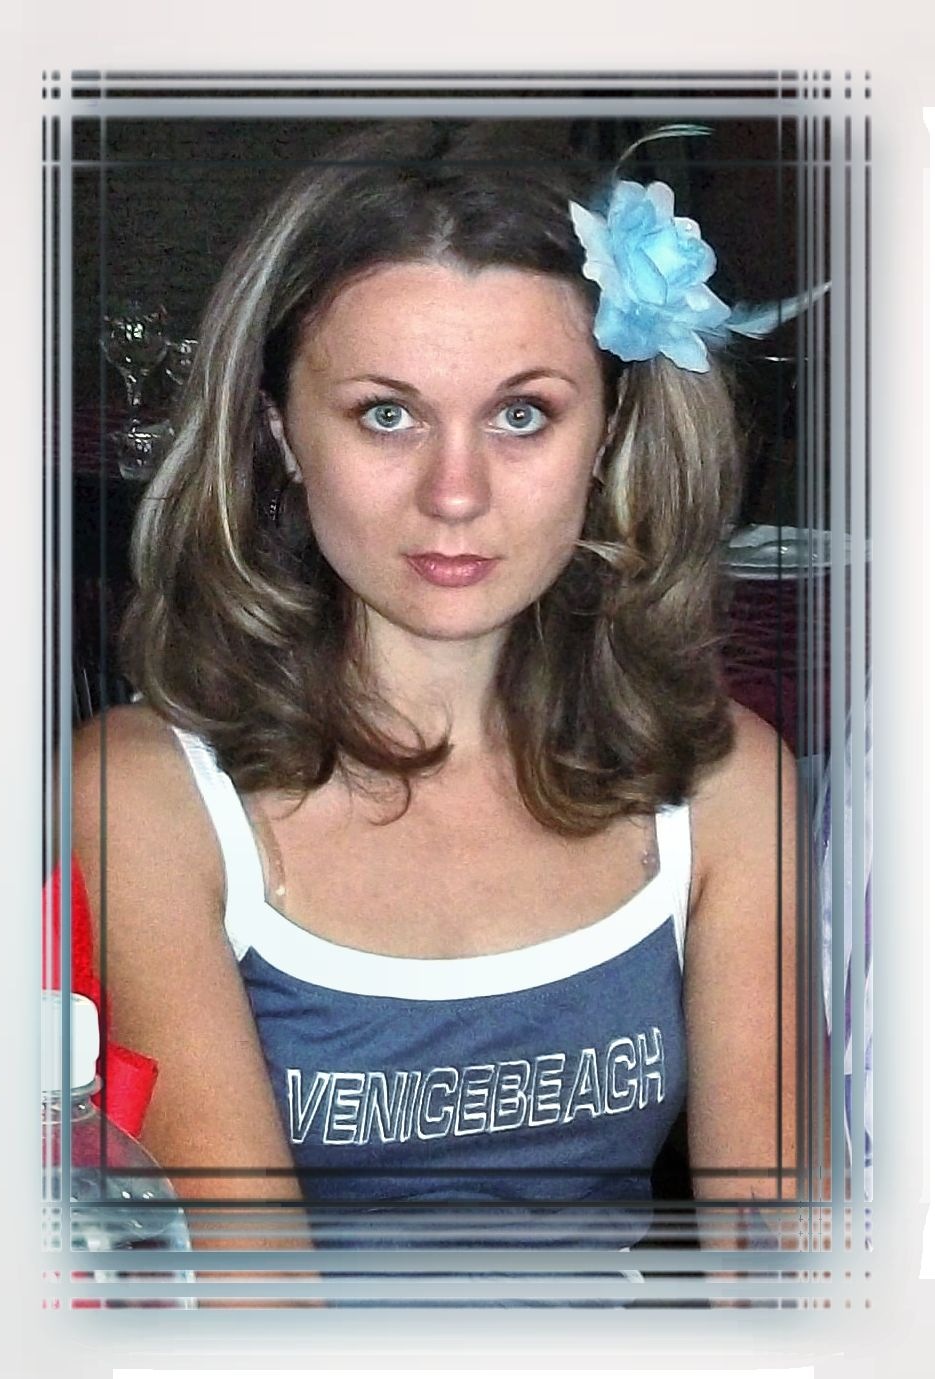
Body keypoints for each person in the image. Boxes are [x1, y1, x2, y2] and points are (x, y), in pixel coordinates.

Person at [72, 121, 801, 1292]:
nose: (453, 493)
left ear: (606, 431)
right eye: (385, 413)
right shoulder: (141, 797)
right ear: (278, 430)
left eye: (521, 414)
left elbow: (780, 1269)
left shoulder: (725, 783)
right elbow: (250, 1303)